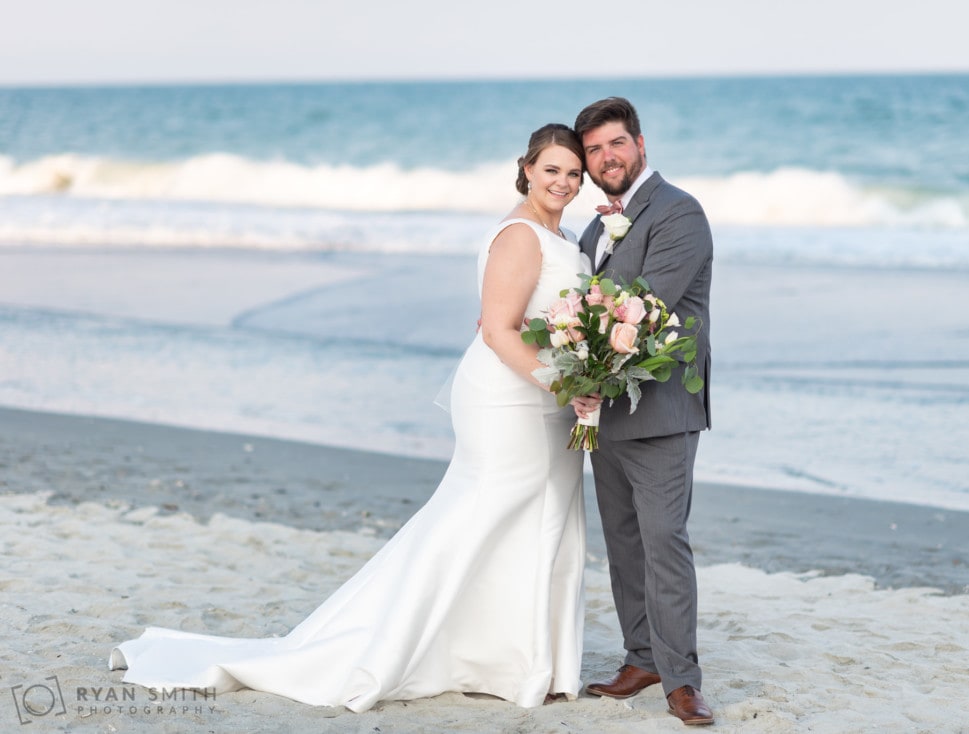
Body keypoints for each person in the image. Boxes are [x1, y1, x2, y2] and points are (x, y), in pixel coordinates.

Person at [110, 123, 592, 711]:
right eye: (552, 170)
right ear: (527, 169)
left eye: (573, 173)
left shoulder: (562, 234)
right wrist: (567, 384)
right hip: (510, 399)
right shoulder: (521, 235)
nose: (563, 182)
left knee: (543, 519)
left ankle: (515, 659)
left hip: (549, 399)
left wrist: (578, 382)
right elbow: (496, 330)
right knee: (480, 514)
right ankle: (408, 647)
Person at [570, 97, 715, 726]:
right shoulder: (597, 228)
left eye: (616, 144)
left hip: (661, 408)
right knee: (623, 542)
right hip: (604, 414)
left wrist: (591, 364)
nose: (607, 158)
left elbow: (647, 308)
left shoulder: (679, 212)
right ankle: (642, 657)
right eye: (595, 150)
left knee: (663, 541)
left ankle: (681, 679)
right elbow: (578, 310)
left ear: (641, 146)